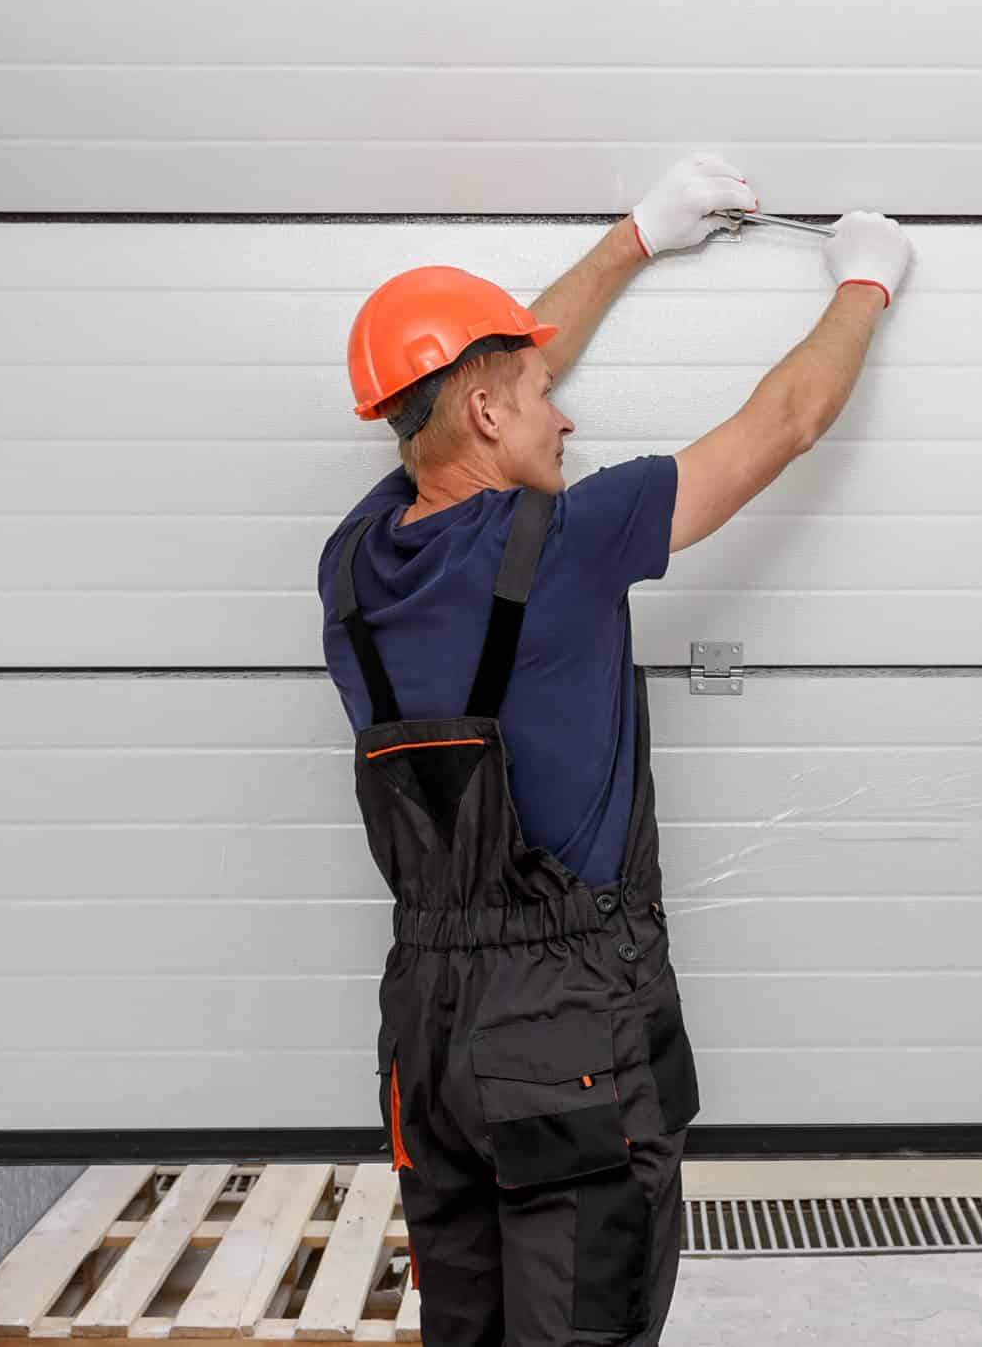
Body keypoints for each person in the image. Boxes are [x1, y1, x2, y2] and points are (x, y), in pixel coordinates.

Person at [319, 155, 913, 1347]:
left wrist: (637, 238)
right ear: (488, 414)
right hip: (565, 1021)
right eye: (540, 396)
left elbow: (468, 388)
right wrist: (866, 282)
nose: (568, 411)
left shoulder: (357, 558)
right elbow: (786, 423)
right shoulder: (574, 539)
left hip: (428, 1026)